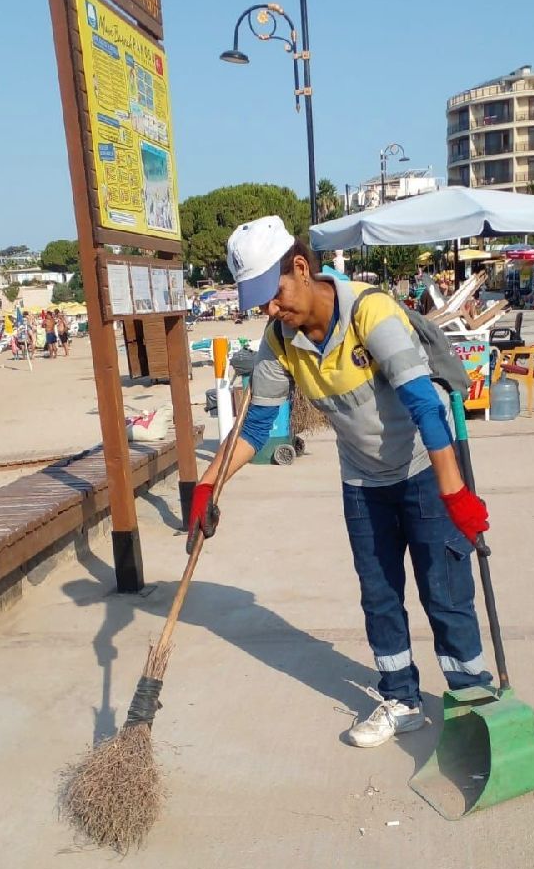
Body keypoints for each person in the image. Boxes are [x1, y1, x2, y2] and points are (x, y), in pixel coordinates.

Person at [188, 215, 494, 749]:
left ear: (301, 268)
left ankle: (472, 695)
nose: (269, 309)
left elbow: (425, 403)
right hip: (363, 483)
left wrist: (455, 493)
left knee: (445, 594)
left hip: (423, 470)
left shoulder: (367, 310)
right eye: (258, 300)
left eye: (273, 294)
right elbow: (256, 426)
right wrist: (207, 489)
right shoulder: (279, 340)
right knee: (379, 597)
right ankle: (402, 699)